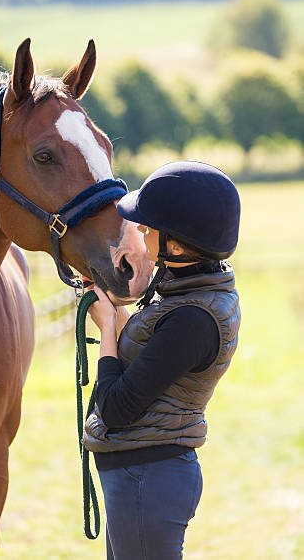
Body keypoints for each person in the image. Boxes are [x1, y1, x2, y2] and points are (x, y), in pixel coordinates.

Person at [84, 160, 241, 560]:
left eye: (149, 225)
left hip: (147, 479)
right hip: (142, 474)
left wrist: (105, 329)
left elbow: (117, 408)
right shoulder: (187, 293)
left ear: (178, 242)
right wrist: (111, 303)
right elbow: (145, 361)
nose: (139, 229)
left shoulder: (192, 318)